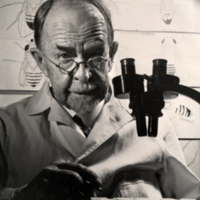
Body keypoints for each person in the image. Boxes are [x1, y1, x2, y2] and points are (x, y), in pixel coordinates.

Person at [0, 0, 199, 199]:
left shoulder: (153, 124)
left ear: (111, 55)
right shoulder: (6, 127)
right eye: (65, 57)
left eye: (95, 55)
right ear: (41, 62)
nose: (83, 74)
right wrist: (22, 196)